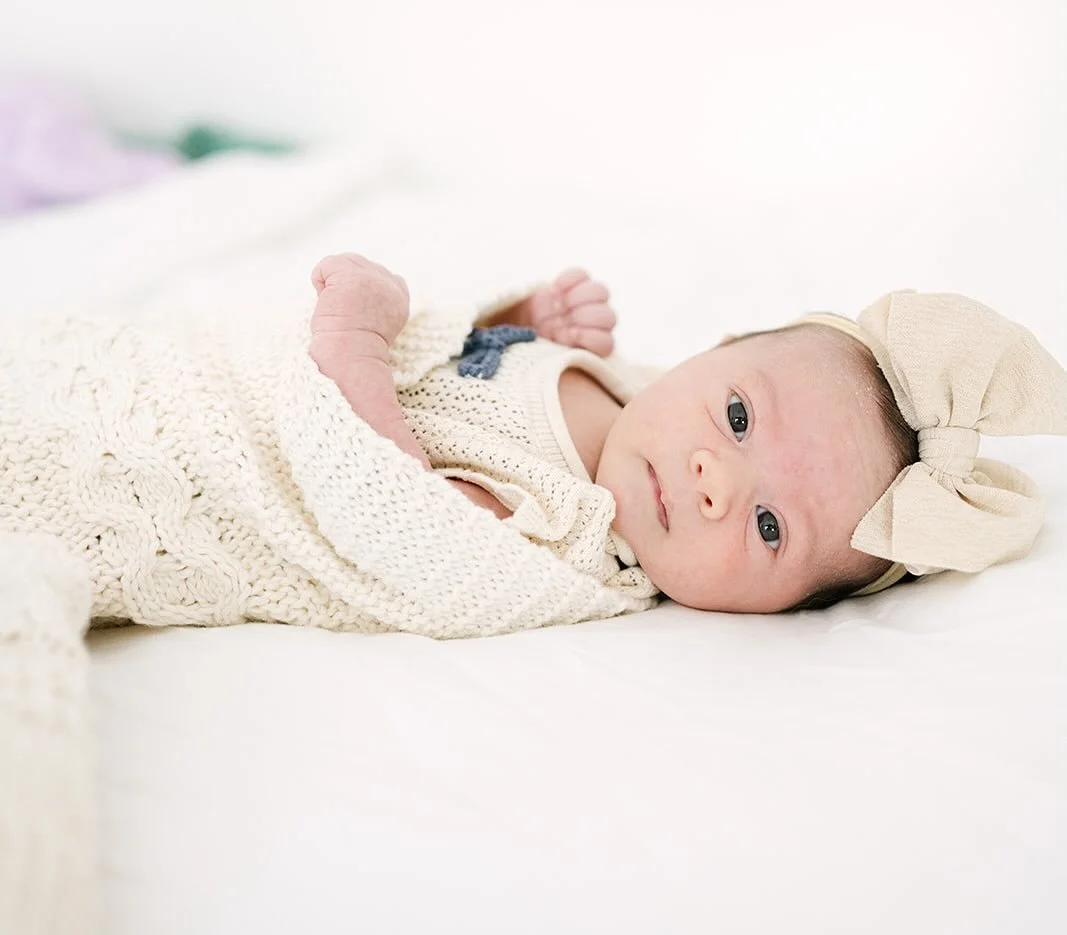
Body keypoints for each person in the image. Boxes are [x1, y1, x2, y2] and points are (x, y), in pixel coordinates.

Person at [1, 254, 1064, 640]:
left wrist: (356, 346)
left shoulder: (570, 540)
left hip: (190, 461)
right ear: (713, 348)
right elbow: (468, 364)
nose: (711, 479)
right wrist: (518, 314)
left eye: (767, 525)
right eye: (737, 419)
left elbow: (391, 511)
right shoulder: (627, 390)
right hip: (165, 364)